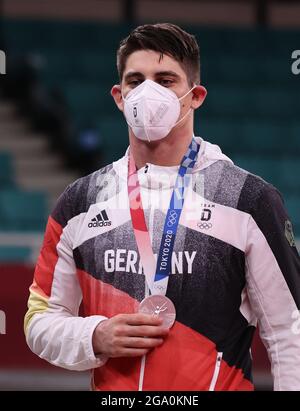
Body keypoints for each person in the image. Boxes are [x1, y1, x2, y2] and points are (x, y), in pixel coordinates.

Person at [24, 23, 300, 391]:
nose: (147, 93)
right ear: (119, 96)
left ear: (196, 95)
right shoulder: (80, 201)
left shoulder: (247, 199)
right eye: (135, 81)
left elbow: (288, 329)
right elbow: (39, 319)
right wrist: (94, 335)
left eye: (165, 80)